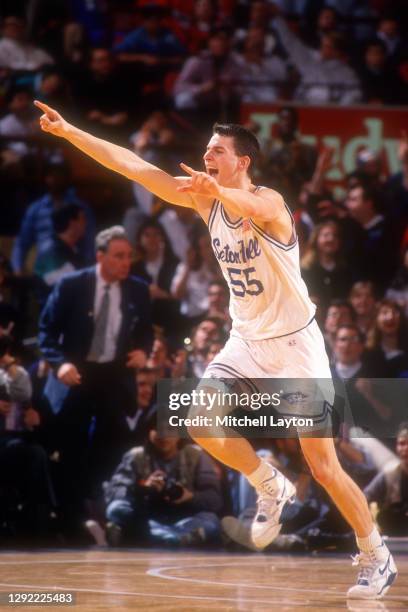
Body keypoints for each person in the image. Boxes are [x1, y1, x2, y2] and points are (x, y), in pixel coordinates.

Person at [34, 99, 397, 599]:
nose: (207, 157)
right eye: (206, 150)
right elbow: (134, 166)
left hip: (295, 346)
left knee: (323, 466)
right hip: (246, 338)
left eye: (217, 151)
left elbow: (252, 207)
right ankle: (269, 481)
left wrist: (221, 194)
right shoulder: (205, 199)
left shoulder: (270, 204)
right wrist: (71, 130)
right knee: (198, 419)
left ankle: (377, 556)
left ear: (242, 161)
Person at [38, 225, 153, 535]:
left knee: (111, 448)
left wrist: (143, 351)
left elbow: (146, 331)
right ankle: (70, 519)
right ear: (100, 256)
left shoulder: (138, 289)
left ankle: (107, 515)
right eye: (118, 257)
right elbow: (46, 331)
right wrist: (59, 364)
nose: (125, 263)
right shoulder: (73, 284)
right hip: (77, 372)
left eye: (128, 256)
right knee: (71, 448)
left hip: (113, 375)